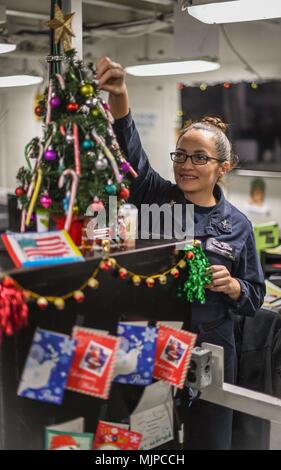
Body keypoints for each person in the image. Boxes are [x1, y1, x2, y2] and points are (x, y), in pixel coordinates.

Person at [96, 56, 266, 450]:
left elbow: (255, 296)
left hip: (212, 350)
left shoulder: (238, 224)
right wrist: (120, 94)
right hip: (150, 343)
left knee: (210, 440)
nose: (187, 166)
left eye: (200, 158)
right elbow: (129, 149)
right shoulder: (155, 196)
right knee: (148, 441)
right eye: (181, 155)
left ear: (222, 167)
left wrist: (234, 286)